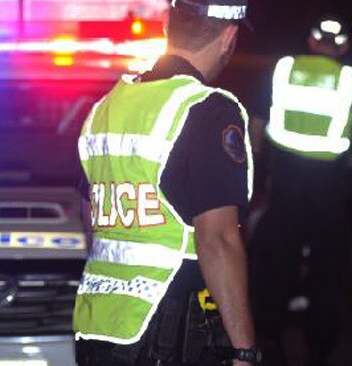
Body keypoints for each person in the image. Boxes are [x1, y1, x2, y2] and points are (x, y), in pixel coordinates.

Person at [73, 0, 260, 365]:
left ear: (167, 27)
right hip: (167, 335)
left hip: (97, 328)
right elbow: (218, 240)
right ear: (229, 37)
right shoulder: (208, 109)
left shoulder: (105, 108)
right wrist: (244, 349)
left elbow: (90, 217)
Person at [249, 16, 352, 366]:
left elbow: (256, 124)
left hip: (285, 183)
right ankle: (319, 347)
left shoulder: (283, 69)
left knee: (277, 263)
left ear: (312, 42)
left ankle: (269, 339)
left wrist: (257, 164)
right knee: (327, 269)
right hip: (329, 188)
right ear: (342, 46)